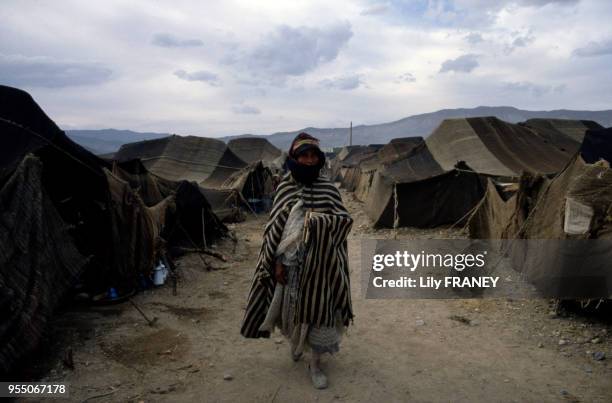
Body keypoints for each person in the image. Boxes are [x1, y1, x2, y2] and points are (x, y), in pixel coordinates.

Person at [241, 132, 353, 389]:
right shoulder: (286, 187)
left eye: (313, 155)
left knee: (320, 311)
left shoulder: (327, 188)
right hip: (293, 265)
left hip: (323, 266)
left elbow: (345, 221)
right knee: (294, 311)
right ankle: (296, 343)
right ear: (295, 157)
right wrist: (278, 262)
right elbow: (275, 229)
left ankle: (315, 363)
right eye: (304, 155)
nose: (309, 160)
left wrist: (316, 222)